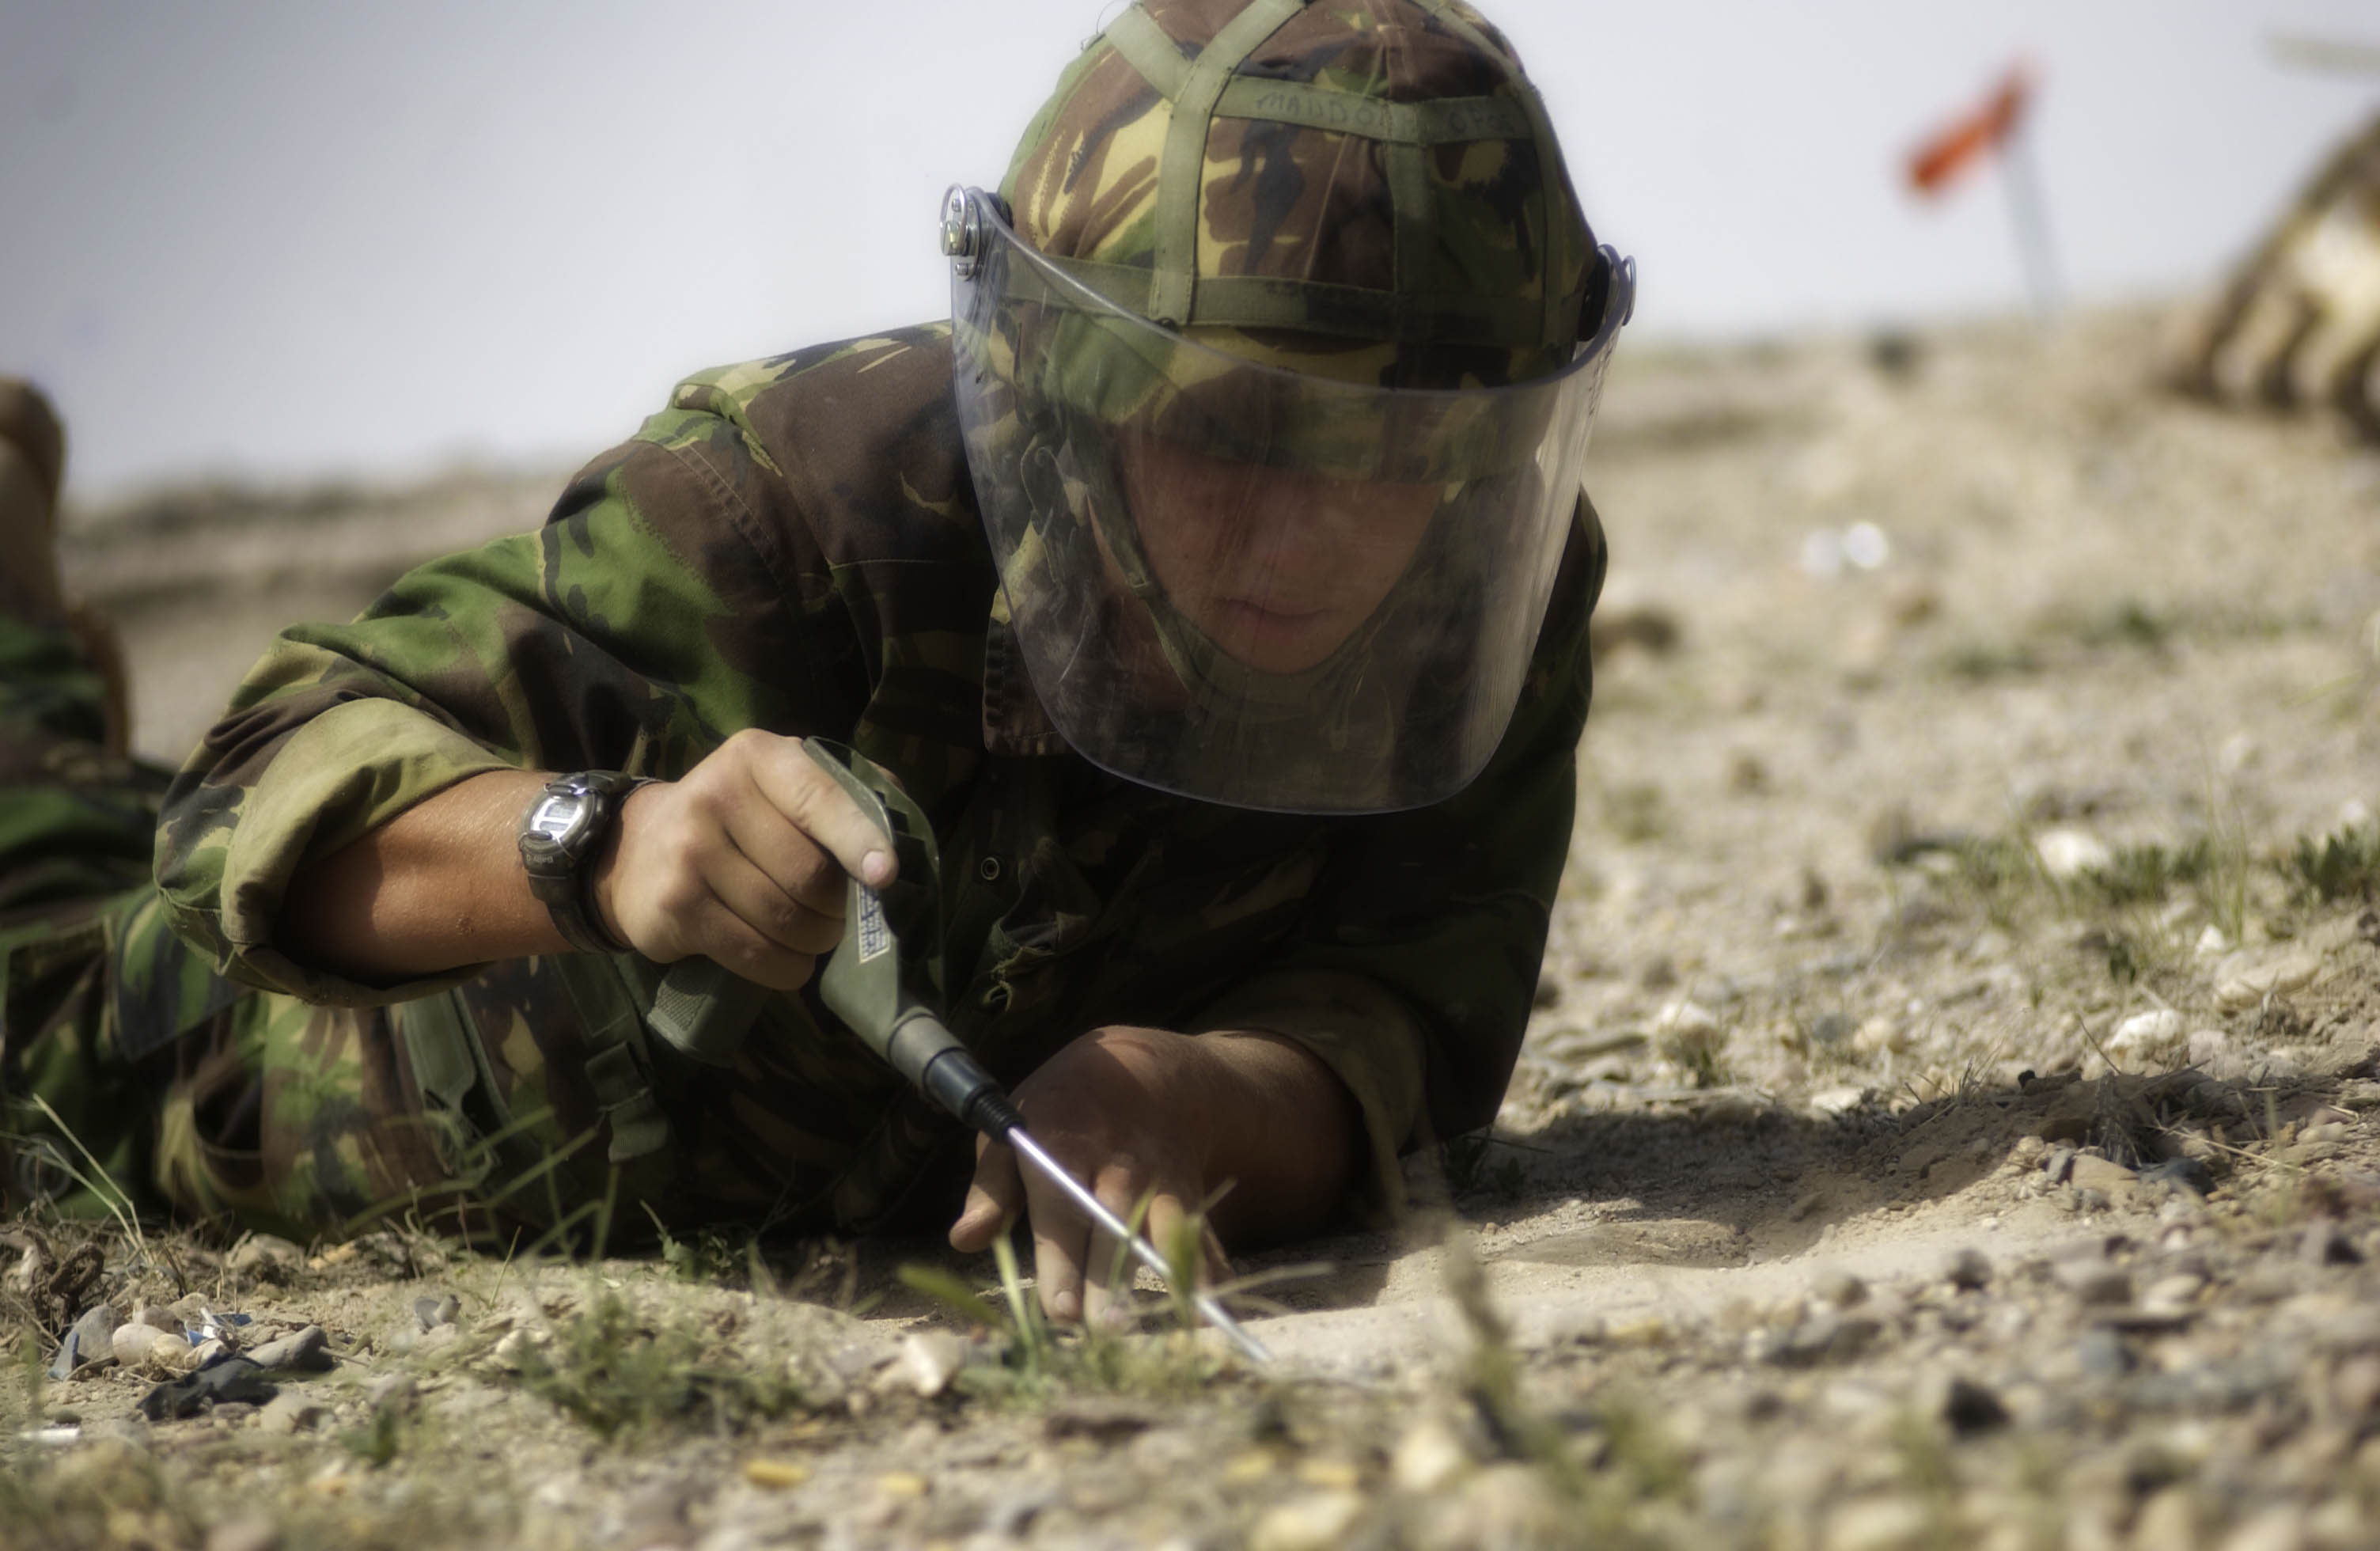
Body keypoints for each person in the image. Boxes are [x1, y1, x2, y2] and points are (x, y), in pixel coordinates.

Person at [0, 0, 1628, 1326]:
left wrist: (1198, 1095)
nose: (1304, 538)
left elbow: (1411, 1002)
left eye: (1386, 454)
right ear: (1073, 388)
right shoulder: (790, 508)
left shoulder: (1485, 590)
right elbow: (237, 793)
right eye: (1225, 437)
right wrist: (605, 848)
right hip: (261, 1064)